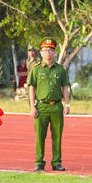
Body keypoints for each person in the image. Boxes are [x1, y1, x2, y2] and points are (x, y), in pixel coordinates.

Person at [28, 38, 71, 172]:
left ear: (54, 52)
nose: (48, 53)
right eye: (45, 50)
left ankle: (56, 162)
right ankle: (39, 162)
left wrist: (67, 104)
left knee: (57, 135)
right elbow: (31, 88)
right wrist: (32, 106)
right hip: (41, 106)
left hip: (56, 106)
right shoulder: (36, 70)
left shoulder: (60, 69)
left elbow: (65, 87)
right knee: (40, 135)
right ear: (41, 53)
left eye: (50, 50)